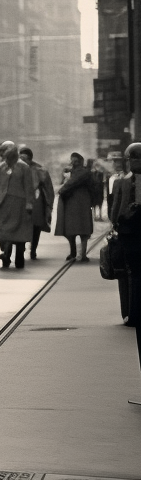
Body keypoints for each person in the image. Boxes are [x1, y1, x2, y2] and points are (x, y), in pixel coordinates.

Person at [109, 143, 141, 388]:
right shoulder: (124, 181)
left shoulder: (132, 181)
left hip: (134, 239)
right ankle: (132, 312)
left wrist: (122, 219)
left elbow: (127, 212)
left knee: (133, 277)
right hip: (130, 239)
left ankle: (134, 312)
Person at [0, 141, 36, 269]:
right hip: (4, 203)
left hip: (20, 204)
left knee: (20, 232)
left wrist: (29, 203)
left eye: (10, 156)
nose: (7, 159)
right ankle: (6, 255)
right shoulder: (0, 168)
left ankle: (19, 257)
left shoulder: (24, 167)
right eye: (5, 157)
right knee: (5, 231)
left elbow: (29, 187)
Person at [55, 152, 95, 263]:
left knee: (83, 230)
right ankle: (74, 252)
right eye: (73, 161)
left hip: (81, 203)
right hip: (73, 203)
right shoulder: (72, 172)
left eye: (76, 161)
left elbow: (71, 184)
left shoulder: (84, 172)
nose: (74, 163)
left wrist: (61, 190)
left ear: (81, 162)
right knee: (71, 230)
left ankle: (82, 254)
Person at [19, 146, 55, 260]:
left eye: (23, 158)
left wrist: (49, 205)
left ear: (29, 158)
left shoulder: (40, 170)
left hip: (37, 201)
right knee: (22, 225)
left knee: (36, 226)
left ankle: (33, 249)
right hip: (21, 201)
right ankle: (22, 246)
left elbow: (49, 189)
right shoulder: (16, 168)